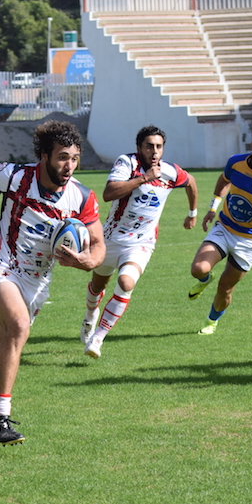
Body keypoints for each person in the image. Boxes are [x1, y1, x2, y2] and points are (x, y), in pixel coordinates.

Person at [0, 120, 105, 445]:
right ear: (43, 156)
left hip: (36, 285)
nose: (69, 166)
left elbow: (98, 246)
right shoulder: (13, 177)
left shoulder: (81, 197)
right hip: (1, 267)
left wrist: (87, 262)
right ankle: (0, 419)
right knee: (19, 327)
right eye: (61, 158)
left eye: (74, 158)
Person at [80, 125, 199, 358]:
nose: (154, 152)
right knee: (97, 286)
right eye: (149, 146)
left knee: (126, 283)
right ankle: (90, 316)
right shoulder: (127, 163)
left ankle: (97, 339)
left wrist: (192, 213)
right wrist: (144, 178)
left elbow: (191, 182)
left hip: (142, 243)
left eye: (159, 147)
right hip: (111, 239)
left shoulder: (170, 172)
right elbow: (108, 193)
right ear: (139, 148)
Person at [187, 126, 252, 335]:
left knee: (225, 287)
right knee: (198, 269)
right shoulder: (236, 162)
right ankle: (205, 280)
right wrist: (212, 208)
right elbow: (224, 180)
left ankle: (211, 321)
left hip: (250, 241)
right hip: (225, 228)